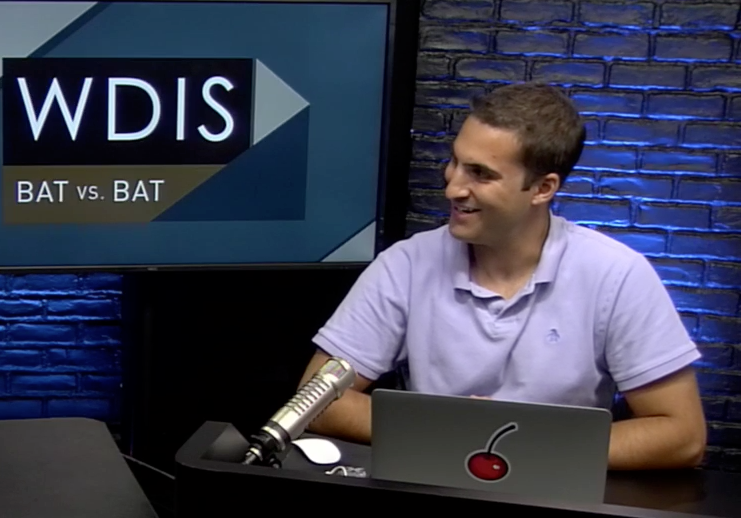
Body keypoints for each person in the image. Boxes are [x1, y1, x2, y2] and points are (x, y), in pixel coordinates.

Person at [303, 82, 706, 471]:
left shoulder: (616, 275)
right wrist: (452, 429)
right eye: (455, 162)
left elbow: (682, 436)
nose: (453, 188)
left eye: (480, 174)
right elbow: (315, 401)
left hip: (556, 498)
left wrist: (515, 441)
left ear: (542, 188)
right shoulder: (405, 265)